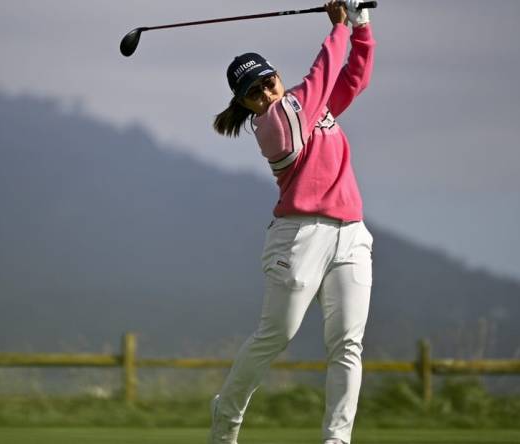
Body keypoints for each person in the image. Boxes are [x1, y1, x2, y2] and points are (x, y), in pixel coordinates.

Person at [209, 1, 375, 443]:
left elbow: (352, 79)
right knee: (275, 336)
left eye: (268, 81)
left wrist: (361, 25)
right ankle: (227, 414)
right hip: (298, 237)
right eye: (254, 93)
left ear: (276, 76)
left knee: (347, 344)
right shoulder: (274, 122)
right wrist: (338, 25)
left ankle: (336, 440)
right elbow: (323, 75)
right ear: (244, 104)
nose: (265, 93)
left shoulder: (308, 105)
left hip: (351, 233)